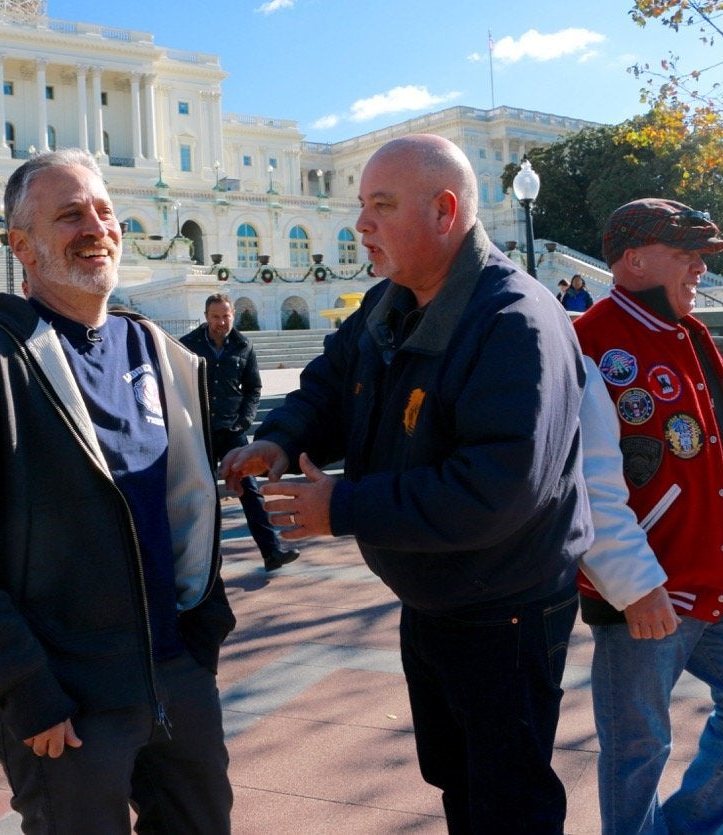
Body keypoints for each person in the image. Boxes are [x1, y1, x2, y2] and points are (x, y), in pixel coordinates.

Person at [221, 134, 593, 832]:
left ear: (445, 210)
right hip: (434, 597)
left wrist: (344, 507)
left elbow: (497, 490)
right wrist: (281, 438)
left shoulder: (516, 322)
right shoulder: (389, 302)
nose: (360, 224)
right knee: (459, 782)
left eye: (381, 206)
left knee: (509, 802)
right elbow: (329, 388)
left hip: (504, 608)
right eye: (362, 205)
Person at [0, 148, 235, 834]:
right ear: (20, 245)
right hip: (69, 702)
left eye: (105, 211)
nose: (96, 227)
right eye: (70, 214)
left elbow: (188, 506)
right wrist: (27, 689)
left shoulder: (157, 351)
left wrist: (204, 636)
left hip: (176, 673)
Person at [573, 197, 723, 834]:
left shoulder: (688, 331)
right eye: (686, 253)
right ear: (635, 259)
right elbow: (587, 485)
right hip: (646, 589)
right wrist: (635, 585)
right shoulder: (589, 342)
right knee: (638, 749)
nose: (701, 266)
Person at [181, 293, 299, 571]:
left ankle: (272, 552)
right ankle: (197, 562)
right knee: (199, 493)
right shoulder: (187, 345)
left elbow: (253, 388)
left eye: (226, 316)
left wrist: (245, 421)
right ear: (206, 316)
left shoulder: (244, 345)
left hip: (233, 430)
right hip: (201, 430)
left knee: (250, 490)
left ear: (233, 314)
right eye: (215, 316)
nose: (221, 322)